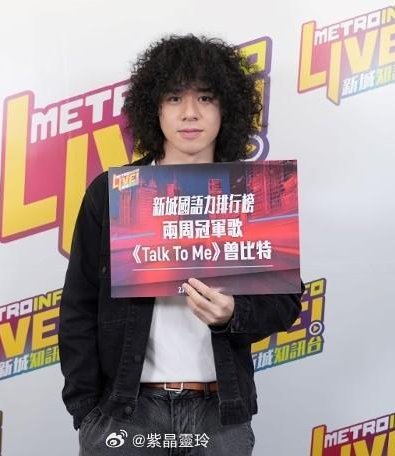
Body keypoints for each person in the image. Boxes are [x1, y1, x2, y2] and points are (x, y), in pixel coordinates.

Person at [59, 34, 303, 455]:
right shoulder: (113, 192)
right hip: (126, 412)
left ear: (227, 108)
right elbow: (78, 306)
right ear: (154, 108)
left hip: (219, 414)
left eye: (205, 97)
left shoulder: (253, 194)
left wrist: (233, 314)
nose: (190, 113)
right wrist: (86, 410)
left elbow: (285, 303)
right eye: (174, 98)